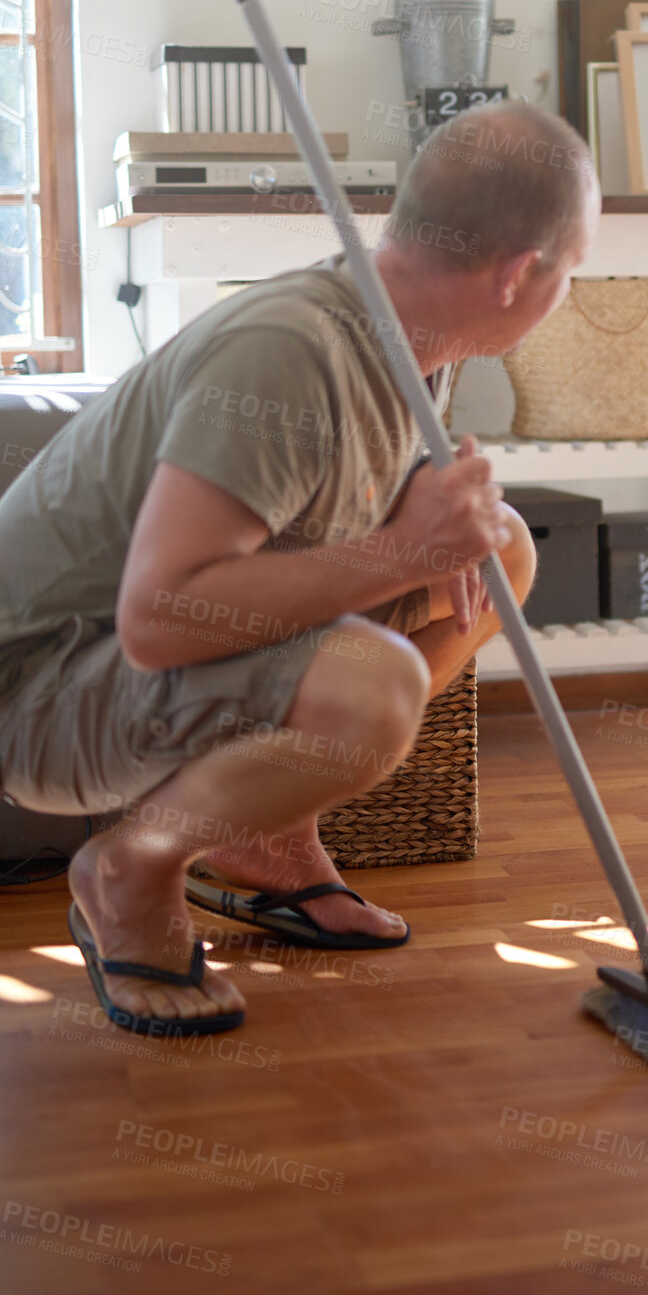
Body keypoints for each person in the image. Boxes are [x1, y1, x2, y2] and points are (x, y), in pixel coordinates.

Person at [0, 101, 600, 1036]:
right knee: (374, 688)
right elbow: (160, 615)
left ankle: (264, 833)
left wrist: (439, 524)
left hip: (132, 662)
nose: (568, 289)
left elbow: (325, 528)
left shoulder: (411, 336)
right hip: (39, 692)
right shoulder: (289, 351)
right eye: (572, 269)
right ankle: (132, 866)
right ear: (519, 272)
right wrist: (406, 551)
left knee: (506, 546)